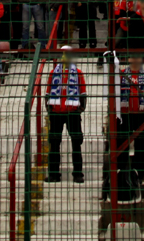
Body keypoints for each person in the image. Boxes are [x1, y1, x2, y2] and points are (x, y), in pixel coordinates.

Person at [113, 56, 144, 202]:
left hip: (141, 114)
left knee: (143, 143)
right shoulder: (120, 75)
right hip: (125, 114)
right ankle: (123, 172)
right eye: (133, 56)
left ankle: (139, 173)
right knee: (121, 141)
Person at [45, 46, 87, 184]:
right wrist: (50, 109)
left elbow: (83, 92)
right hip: (56, 112)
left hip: (72, 112)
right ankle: (53, 174)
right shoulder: (53, 73)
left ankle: (77, 173)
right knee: (54, 143)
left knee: (76, 142)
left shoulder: (78, 73)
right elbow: (47, 92)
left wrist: (79, 109)